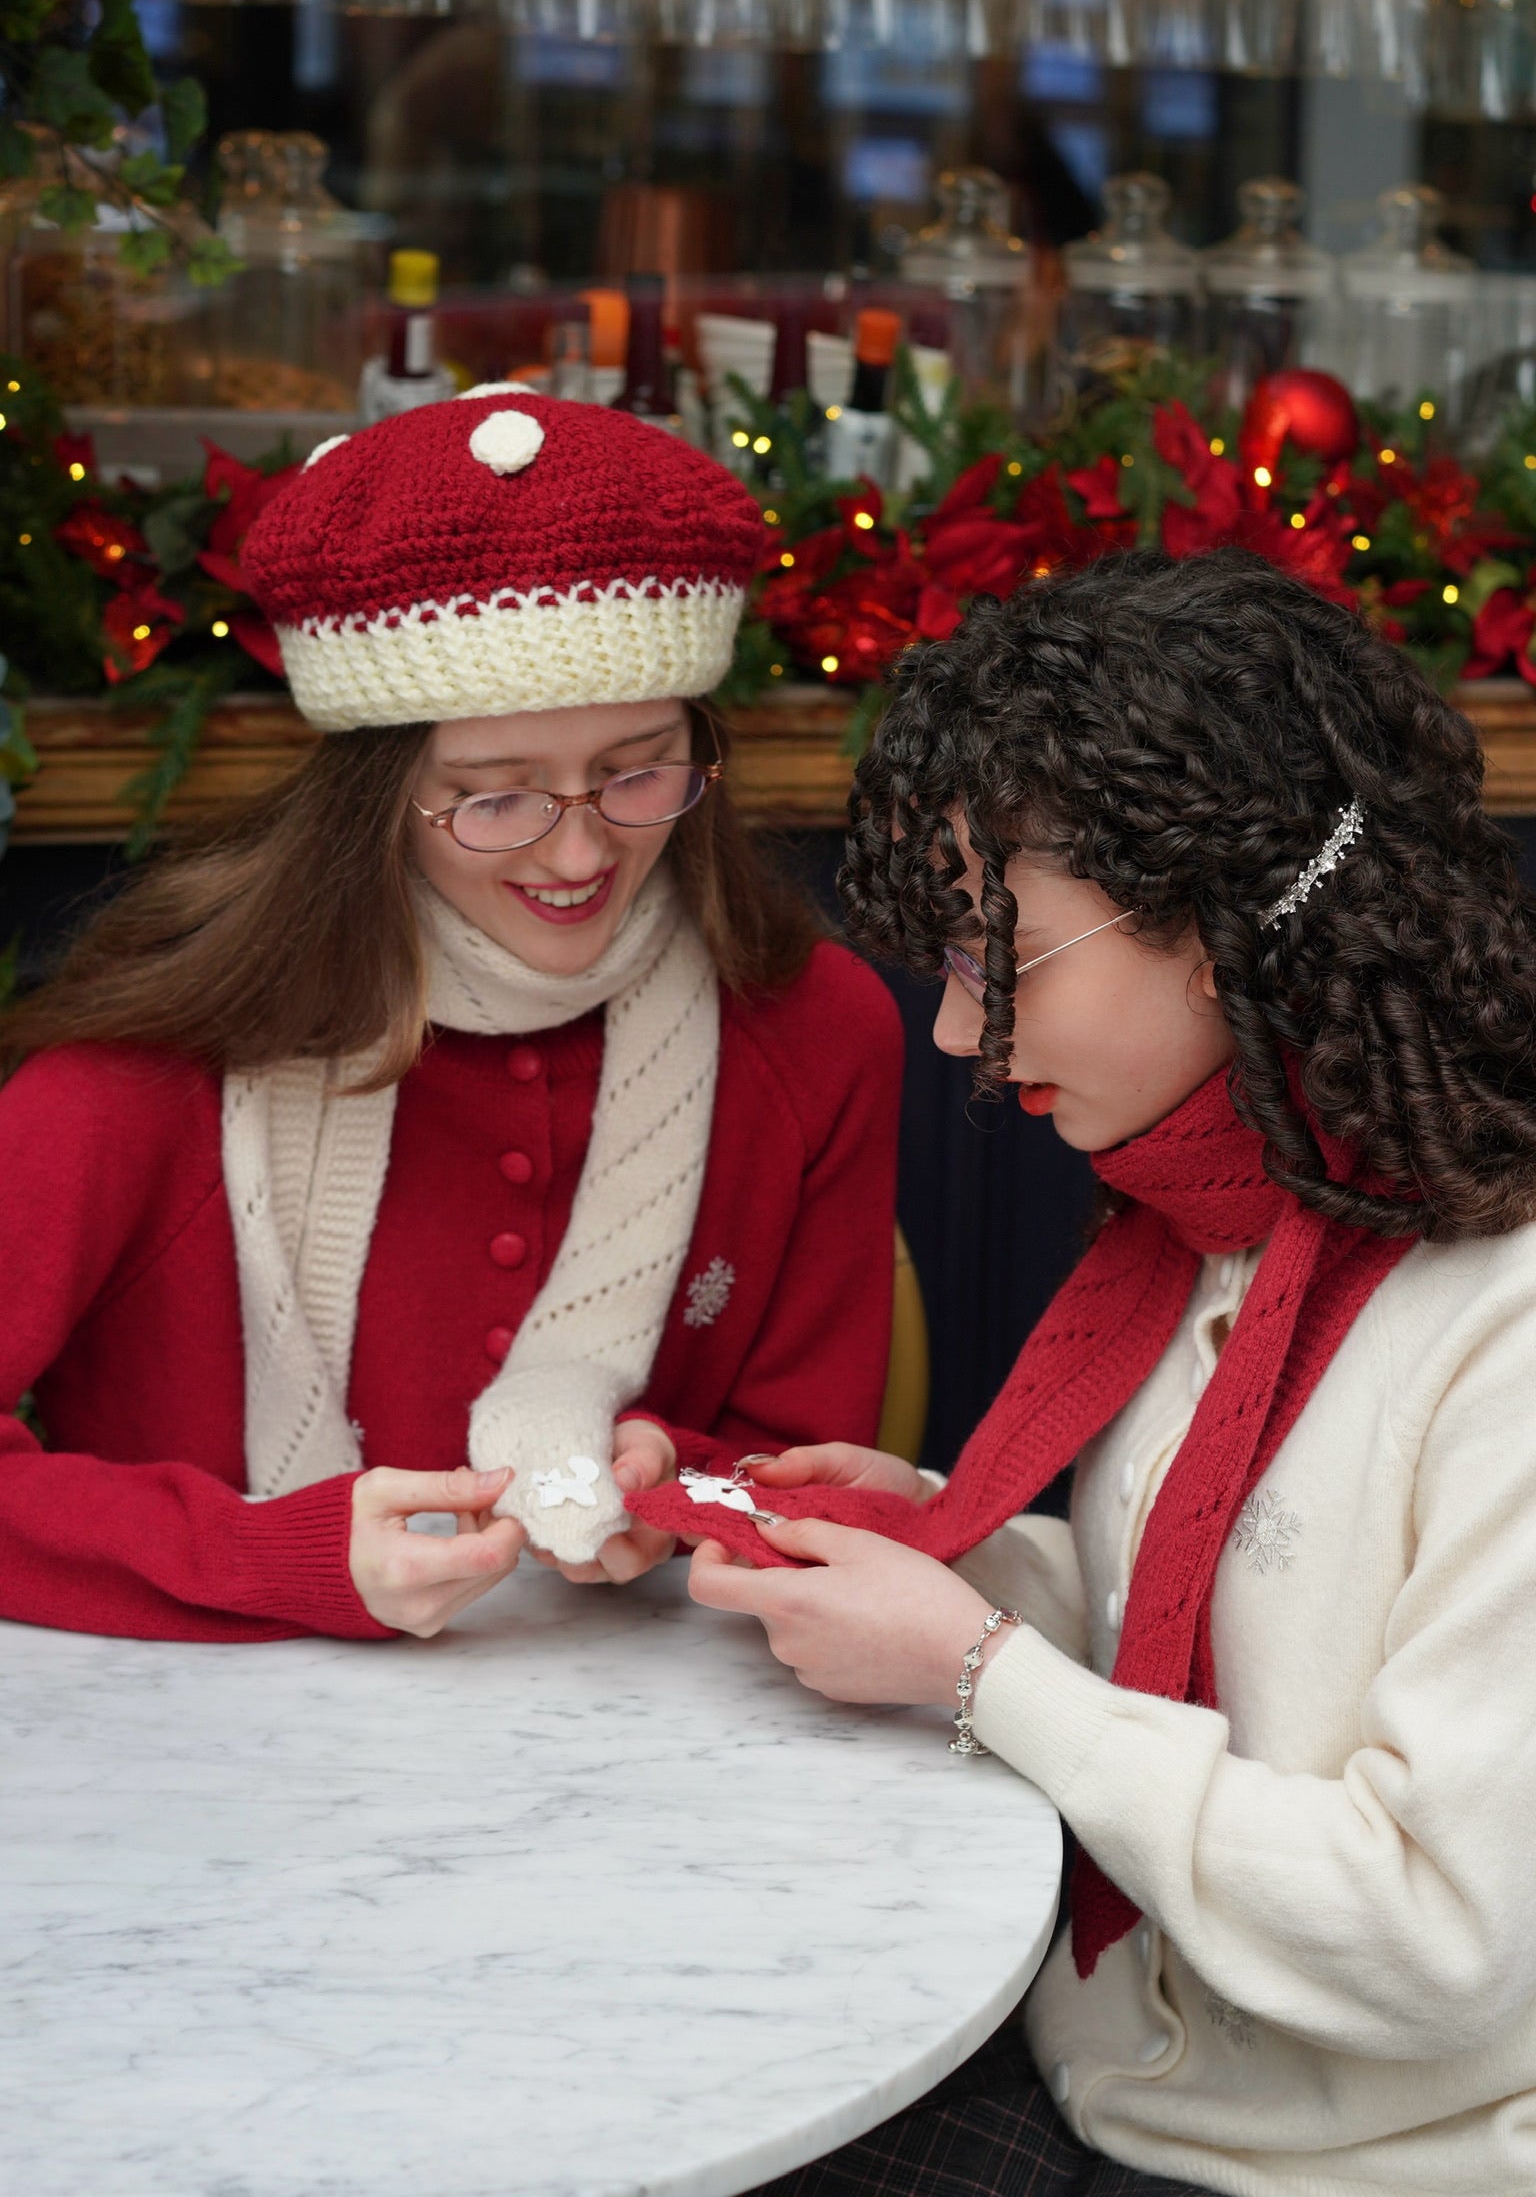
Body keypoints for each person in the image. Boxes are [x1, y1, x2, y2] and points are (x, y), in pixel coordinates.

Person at [677, 545, 1536, 2196]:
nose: (950, 1034)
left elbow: (1441, 1932)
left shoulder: (1497, 1324)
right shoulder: (1231, 1208)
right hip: (1132, 2054)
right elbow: (1234, 1628)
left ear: (1221, 933)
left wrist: (983, 1666)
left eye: (1002, 961)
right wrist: (956, 1536)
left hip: (1362, 2158)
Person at [0, 390, 901, 1645]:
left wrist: (674, 1479)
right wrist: (275, 1558)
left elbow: (800, 1464)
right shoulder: (148, 1068)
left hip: (655, 1776)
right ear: (378, 799)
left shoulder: (812, 1030)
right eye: (494, 798)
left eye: (638, 770)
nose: (579, 851)